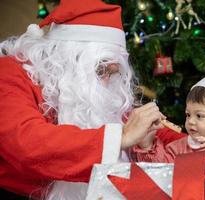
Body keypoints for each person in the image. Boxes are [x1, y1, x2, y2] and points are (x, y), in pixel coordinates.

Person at [0, 0, 184, 199]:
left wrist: (197, 143)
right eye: (100, 69)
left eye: (113, 73)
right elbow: (27, 143)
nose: (107, 80)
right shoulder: (10, 73)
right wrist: (120, 137)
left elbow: (147, 130)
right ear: (67, 58)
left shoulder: (96, 87)